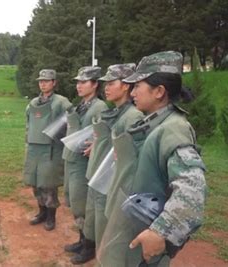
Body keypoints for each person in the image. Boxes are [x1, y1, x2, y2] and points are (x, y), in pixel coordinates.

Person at [97, 51, 207, 266]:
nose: (133, 92)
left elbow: (193, 190)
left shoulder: (173, 129)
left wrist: (161, 232)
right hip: (132, 226)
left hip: (144, 236)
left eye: (138, 85)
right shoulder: (155, 123)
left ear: (159, 91)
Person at [71, 64, 144, 264]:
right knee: (93, 220)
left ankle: (101, 257)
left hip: (110, 181)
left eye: (112, 83)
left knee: (105, 225)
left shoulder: (133, 116)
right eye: (106, 84)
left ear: (126, 87)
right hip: (99, 175)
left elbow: (127, 155)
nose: (106, 88)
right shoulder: (117, 112)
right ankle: (90, 248)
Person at [62, 66, 108, 256]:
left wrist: (95, 145)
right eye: (78, 82)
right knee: (75, 201)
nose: (79, 86)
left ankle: (89, 246)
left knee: (82, 204)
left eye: (83, 82)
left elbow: (104, 134)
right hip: (71, 159)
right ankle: (82, 239)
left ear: (95, 84)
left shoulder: (100, 107)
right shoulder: (80, 106)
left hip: (84, 163)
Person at [23, 69, 72, 231]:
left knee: (48, 183)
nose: (43, 83)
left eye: (46, 80)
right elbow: (28, 123)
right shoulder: (33, 103)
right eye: (41, 81)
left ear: (54, 83)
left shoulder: (61, 102)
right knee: (36, 182)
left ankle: (51, 216)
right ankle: (41, 212)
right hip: (34, 148)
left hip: (51, 150)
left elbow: (72, 121)